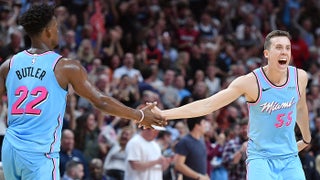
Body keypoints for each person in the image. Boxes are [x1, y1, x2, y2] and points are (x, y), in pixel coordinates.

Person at [0, 4, 165, 180]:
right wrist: (139, 115)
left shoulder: (8, 65)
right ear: (48, 31)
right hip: (39, 153)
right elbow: (100, 101)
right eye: (56, 28)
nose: (58, 32)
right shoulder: (65, 66)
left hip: (10, 149)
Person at [153, 30, 312, 179]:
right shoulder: (250, 82)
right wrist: (164, 114)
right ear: (267, 54)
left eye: (287, 48)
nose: (284, 52)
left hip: (289, 156)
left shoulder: (300, 77)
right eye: (278, 47)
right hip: (261, 158)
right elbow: (208, 105)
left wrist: (306, 138)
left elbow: (300, 107)